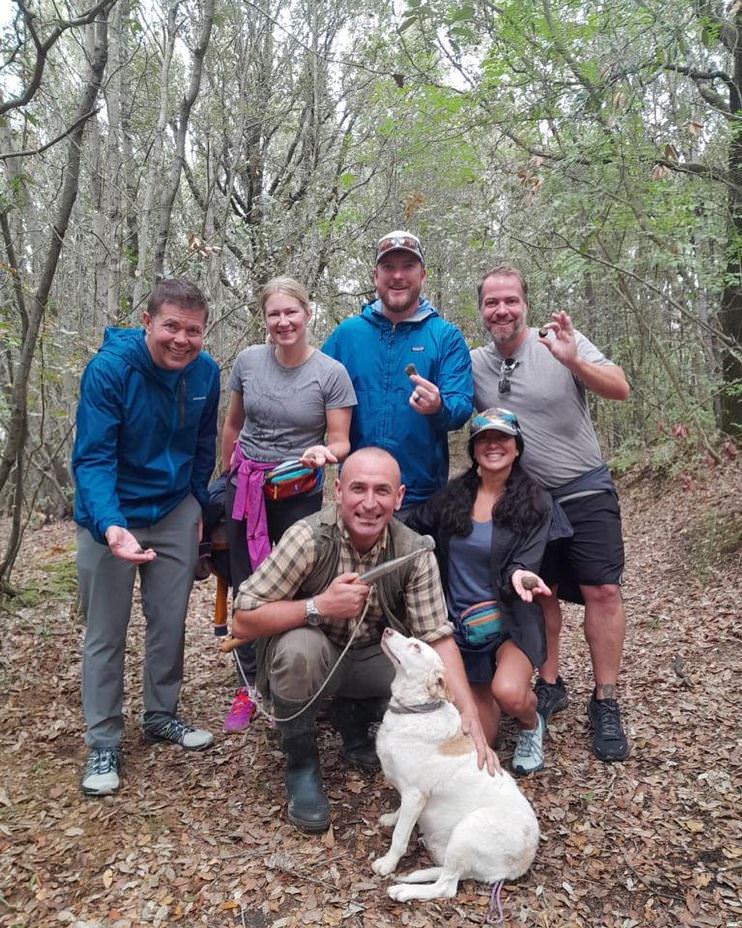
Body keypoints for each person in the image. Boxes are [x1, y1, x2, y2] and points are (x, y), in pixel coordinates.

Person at [231, 447, 496, 833]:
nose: (369, 503)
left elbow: (437, 639)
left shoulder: (413, 550)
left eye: (382, 491)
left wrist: (467, 713)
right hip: (317, 656)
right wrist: (319, 606)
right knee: (298, 651)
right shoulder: (308, 538)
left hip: (372, 657)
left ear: (399, 497)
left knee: (421, 675)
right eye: (358, 489)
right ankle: (301, 764)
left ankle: (353, 715)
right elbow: (242, 619)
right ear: (338, 490)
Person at [470, 265, 631, 762]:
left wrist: (574, 360)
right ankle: (550, 682)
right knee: (541, 593)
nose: (501, 310)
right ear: (481, 310)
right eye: (492, 302)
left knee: (603, 590)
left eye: (510, 300)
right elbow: (451, 408)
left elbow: (620, 387)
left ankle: (605, 700)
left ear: (525, 303)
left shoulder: (559, 341)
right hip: (527, 499)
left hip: (584, 485)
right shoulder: (475, 363)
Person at [72, 278, 220, 796]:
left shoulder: (205, 373)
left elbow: (203, 445)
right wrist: (110, 525)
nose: (181, 339)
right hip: (111, 512)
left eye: (193, 330)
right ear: (147, 323)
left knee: (169, 622)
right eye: (171, 327)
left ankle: (160, 715)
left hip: (174, 509)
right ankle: (103, 740)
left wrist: (197, 503)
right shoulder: (110, 370)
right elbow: (93, 458)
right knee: (106, 631)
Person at [219, 277, 356, 729]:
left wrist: (325, 453)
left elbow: (341, 441)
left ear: (307, 313)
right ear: (265, 319)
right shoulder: (248, 362)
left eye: (291, 312)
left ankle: (295, 679)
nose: (283, 322)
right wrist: (225, 475)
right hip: (247, 489)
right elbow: (233, 425)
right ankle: (249, 684)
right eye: (274, 314)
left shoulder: (330, 373)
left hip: (299, 492)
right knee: (246, 586)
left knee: (300, 587)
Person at [406, 408, 553, 775]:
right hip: (460, 629)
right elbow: (412, 527)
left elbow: (526, 560)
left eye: (502, 438)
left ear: (517, 447)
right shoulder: (452, 496)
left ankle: (531, 723)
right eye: (483, 439)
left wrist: (521, 575)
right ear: (473, 449)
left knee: (510, 693)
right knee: (479, 740)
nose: (493, 445)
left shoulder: (535, 501)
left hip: (509, 622)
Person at [322, 230, 472, 513]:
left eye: (408, 266)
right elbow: (312, 393)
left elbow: (461, 406)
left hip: (421, 497)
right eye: (389, 267)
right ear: (375, 276)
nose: (398, 276)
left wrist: (439, 406)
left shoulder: (445, 336)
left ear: (423, 275)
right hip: (358, 495)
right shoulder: (347, 335)